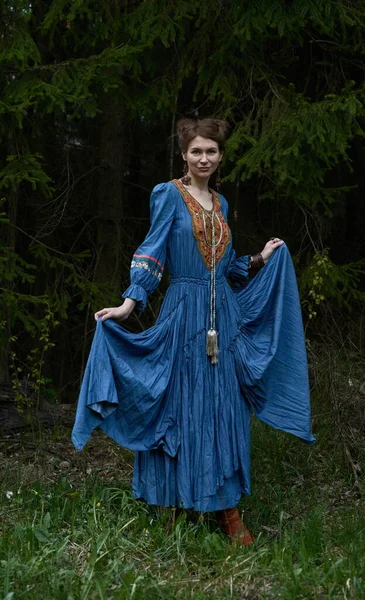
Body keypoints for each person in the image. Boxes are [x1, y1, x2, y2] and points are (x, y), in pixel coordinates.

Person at [72, 117, 315, 547]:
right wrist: (129, 304)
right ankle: (170, 507)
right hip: (184, 316)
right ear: (184, 154)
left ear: (220, 157)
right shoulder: (168, 195)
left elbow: (226, 268)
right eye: (196, 151)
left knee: (225, 407)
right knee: (179, 405)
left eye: (212, 151)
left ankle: (227, 510)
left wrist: (259, 258)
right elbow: (152, 251)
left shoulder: (220, 204)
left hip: (226, 319)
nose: (204, 158)